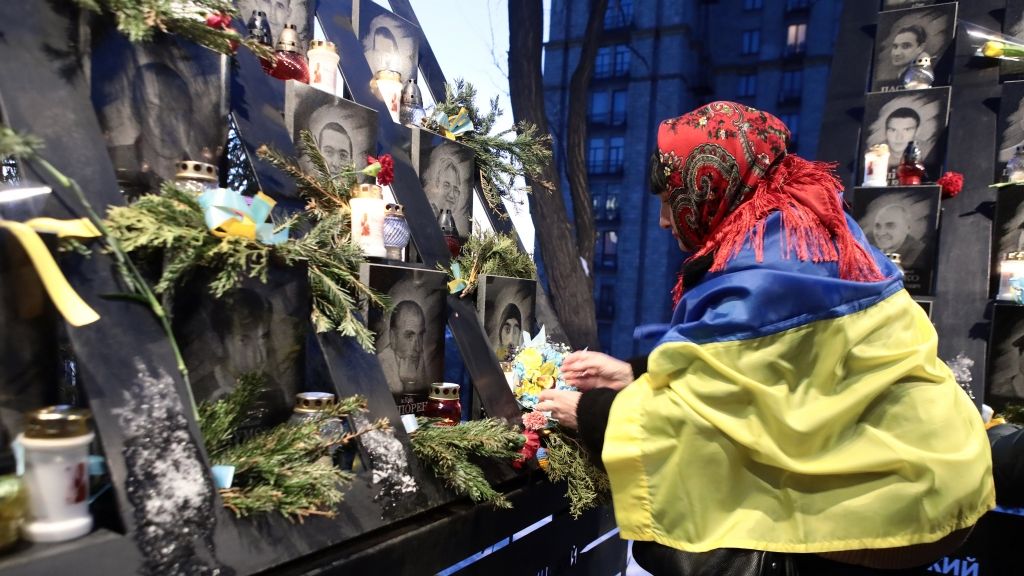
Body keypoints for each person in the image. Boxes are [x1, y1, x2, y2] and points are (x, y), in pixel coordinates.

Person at [537, 102, 993, 574]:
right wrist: (638, 370)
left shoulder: (769, 262)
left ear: (709, 182)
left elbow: (711, 413)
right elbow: (772, 369)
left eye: (671, 198)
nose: (664, 220)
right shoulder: (795, 221)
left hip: (894, 495)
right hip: (927, 464)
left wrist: (591, 413)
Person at [377, 300, 428, 396]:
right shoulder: (379, 368)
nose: (418, 348)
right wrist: (408, 385)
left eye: (420, 335)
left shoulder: (419, 359)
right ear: (393, 337)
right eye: (409, 336)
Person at [869, 202, 926, 268]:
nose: (881, 232)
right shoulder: (869, 248)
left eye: (890, 225)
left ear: (907, 228)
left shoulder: (920, 254)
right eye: (877, 226)